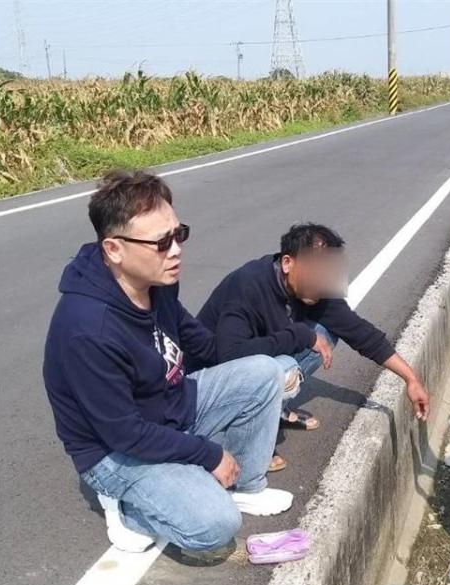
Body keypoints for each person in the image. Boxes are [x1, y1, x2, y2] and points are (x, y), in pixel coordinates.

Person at [43, 170, 293, 561]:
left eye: (179, 235)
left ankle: (244, 485)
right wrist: (207, 455)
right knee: (214, 528)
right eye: (161, 242)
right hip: (115, 451)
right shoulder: (88, 330)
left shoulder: (157, 283)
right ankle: (127, 508)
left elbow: (202, 344)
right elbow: (125, 433)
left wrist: (273, 354)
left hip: (168, 406)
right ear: (114, 249)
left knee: (264, 372)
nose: (175, 250)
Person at [197, 222, 431, 469]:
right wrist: (298, 335)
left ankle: (271, 410)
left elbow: (361, 333)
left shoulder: (313, 289)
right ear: (288, 263)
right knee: (285, 366)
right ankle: (242, 444)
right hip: (210, 381)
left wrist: (410, 379)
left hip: (254, 359)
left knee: (326, 334)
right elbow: (229, 355)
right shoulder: (248, 285)